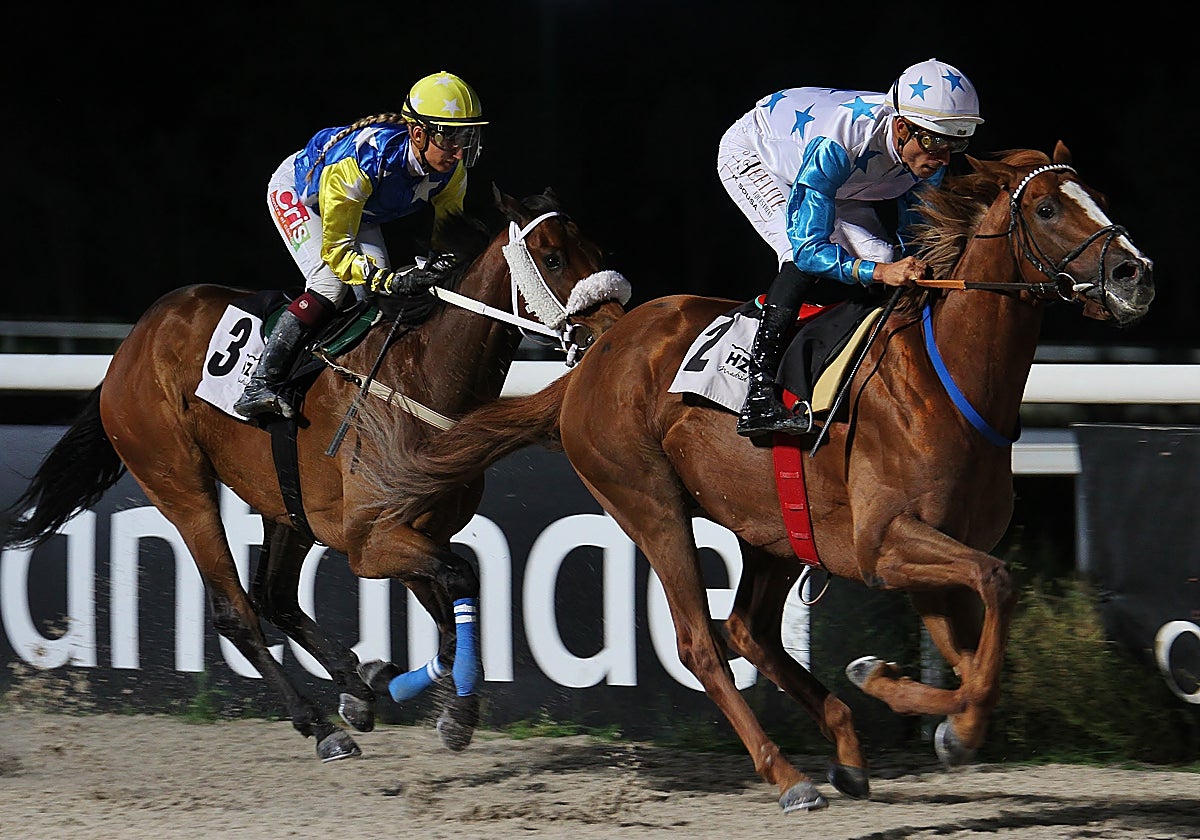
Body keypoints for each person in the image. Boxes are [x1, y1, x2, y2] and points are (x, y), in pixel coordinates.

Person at [716, 58, 983, 437]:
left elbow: (914, 240)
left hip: (836, 182)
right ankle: (757, 398)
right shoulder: (842, 139)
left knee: (890, 258)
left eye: (954, 143)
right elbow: (810, 249)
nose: (941, 157)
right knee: (799, 258)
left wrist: (899, 267)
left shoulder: (930, 156)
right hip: (759, 157)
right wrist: (879, 273)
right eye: (932, 141)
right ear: (901, 127)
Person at [235, 70, 488, 421]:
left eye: (468, 137)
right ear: (418, 134)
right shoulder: (361, 162)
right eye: (451, 139)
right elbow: (338, 252)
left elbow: (445, 237)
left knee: (373, 301)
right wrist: (392, 280)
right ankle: (259, 384)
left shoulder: (451, 170)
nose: (460, 152)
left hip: (358, 211)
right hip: (301, 196)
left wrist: (441, 264)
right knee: (331, 285)